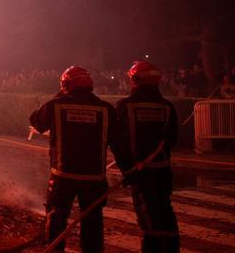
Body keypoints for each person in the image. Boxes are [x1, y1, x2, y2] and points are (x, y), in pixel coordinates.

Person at [30, 66, 132, 252]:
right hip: (93, 179)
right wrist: (128, 171)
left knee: (57, 217)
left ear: (66, 85)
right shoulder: (106, 109)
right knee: (92, 221)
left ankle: (54, 249)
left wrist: (57, 96)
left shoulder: (56, 105)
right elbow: (120, 144)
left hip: (63, 176)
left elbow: (36, 122)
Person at [117, 61, 180, 252]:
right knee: (165, 214)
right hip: (163, 173)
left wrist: (128, 170)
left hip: (140, 174)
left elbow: (118, 143)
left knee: (148, 221)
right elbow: (172, 139)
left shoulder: (125, 106)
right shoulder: (167, 106)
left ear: (135, 80)